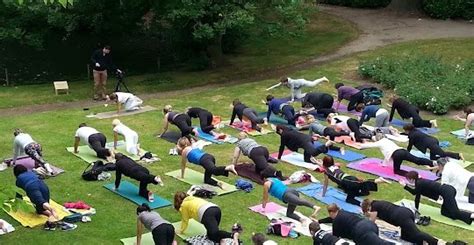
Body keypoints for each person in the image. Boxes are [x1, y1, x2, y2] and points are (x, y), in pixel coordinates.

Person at [400, 171, 474, 225]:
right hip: (448, 190)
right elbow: (417, 193)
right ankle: (469, 218)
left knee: (455, 212)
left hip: (447, 192)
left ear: (412, 179)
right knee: (444, 212)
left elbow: (415, 194)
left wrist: (405, 186)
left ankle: (471, 215)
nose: (408, 180)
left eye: (408, 179)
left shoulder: (419, 183)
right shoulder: (420, 181)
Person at [361, 199, 439, 245]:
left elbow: (371, 222)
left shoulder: (374, 207)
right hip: (404, 213)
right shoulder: (378, 203)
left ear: (368, 207)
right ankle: (420, 242)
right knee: (405, 236)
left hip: (402, 217)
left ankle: (435, 242)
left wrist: (367, 216)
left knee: (416, 233)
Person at [174, 192, 240, 244]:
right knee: (211, 236)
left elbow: (185, 220)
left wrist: (180, 231)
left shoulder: (184, 205)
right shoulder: (193, 198)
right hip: (216, 209)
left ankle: (233, 235)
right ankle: (221, 240)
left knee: (214, 233)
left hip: (207, 214)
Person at [321, 156, 388, 206]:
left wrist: (323, 194)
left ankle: (363, 204)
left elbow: (325, 184)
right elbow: (338, 164)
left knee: (349, 199)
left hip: (347, 183)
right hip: (349, 177)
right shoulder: (335, 166)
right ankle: (376, 181)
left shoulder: (327, 172)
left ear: (324, 164)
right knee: (362, 188)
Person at [319, 204, 393, 245]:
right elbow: (331, 219)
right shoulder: (343, 212)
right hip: (369, 224)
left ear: (331, 212)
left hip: (360, 232)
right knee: (377, 241)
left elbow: (335, 238)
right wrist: (319, 221)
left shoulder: (336, 221)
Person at [359, 137, 435, 176]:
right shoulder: (387, 140)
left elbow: (370, 145)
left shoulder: (380, 142)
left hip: (397, 155)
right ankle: (433, 163)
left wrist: (361, 146)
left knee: (397, 171)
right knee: (417, 160)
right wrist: (384, 164)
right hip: (402, 151)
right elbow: (387, 155)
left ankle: (412, 176)